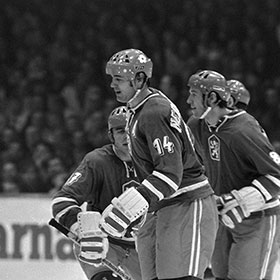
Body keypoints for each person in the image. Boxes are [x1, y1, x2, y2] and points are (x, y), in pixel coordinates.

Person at [101, 48, 219, 280]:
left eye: (119, 79)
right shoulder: (140, 109)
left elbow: (169, 173)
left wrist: (129, 208)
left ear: (139, 79)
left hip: (187, 202)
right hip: (165, 206)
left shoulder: (153, 112)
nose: (113, 85)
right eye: (112, 79)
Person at [186, 70, 280, 280]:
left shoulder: (243, 129)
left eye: (193, 94)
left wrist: (242, 200)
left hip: (258, 217)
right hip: (220, 215)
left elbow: (276, 176)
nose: (188, 100)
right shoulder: (196, 125)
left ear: (211, 98)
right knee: (219, 275)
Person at [51, 106, 142, 280]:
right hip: (104, 244)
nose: (127, 135)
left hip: (143, 247)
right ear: (111, 136)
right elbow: (62, 200)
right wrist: (81, 229)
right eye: (120, 131)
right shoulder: (97, 162)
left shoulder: (156, 160)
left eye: (132, 129)